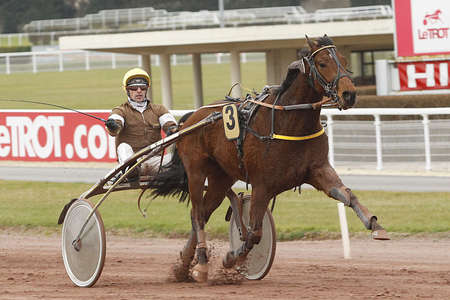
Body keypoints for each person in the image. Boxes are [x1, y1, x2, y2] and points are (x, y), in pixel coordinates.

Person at [105, 67, 177, 181]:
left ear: (146, 89)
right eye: (134, 88)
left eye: (142, 88)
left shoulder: (159, 109)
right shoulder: (120, 110)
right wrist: (113, 126)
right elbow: (115, 127)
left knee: (179, 156)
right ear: (127, 90)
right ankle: (130, 171)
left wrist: (173, 129)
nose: (139, 91)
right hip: (133, 163)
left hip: (156, 162)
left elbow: (169, 124)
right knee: (123, 147)